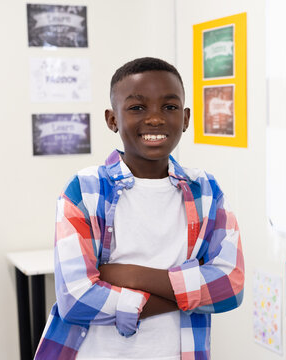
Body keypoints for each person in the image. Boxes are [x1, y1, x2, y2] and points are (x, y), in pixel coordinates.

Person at [35, 57, 245, 360]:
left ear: (186, 118)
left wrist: (129, 275)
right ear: (112, 119)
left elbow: (231, 285)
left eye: (169, 107)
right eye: (137, 107)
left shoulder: (206, 189)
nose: (156, 118)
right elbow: (76, 299)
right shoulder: (84, 189)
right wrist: (189, 292)